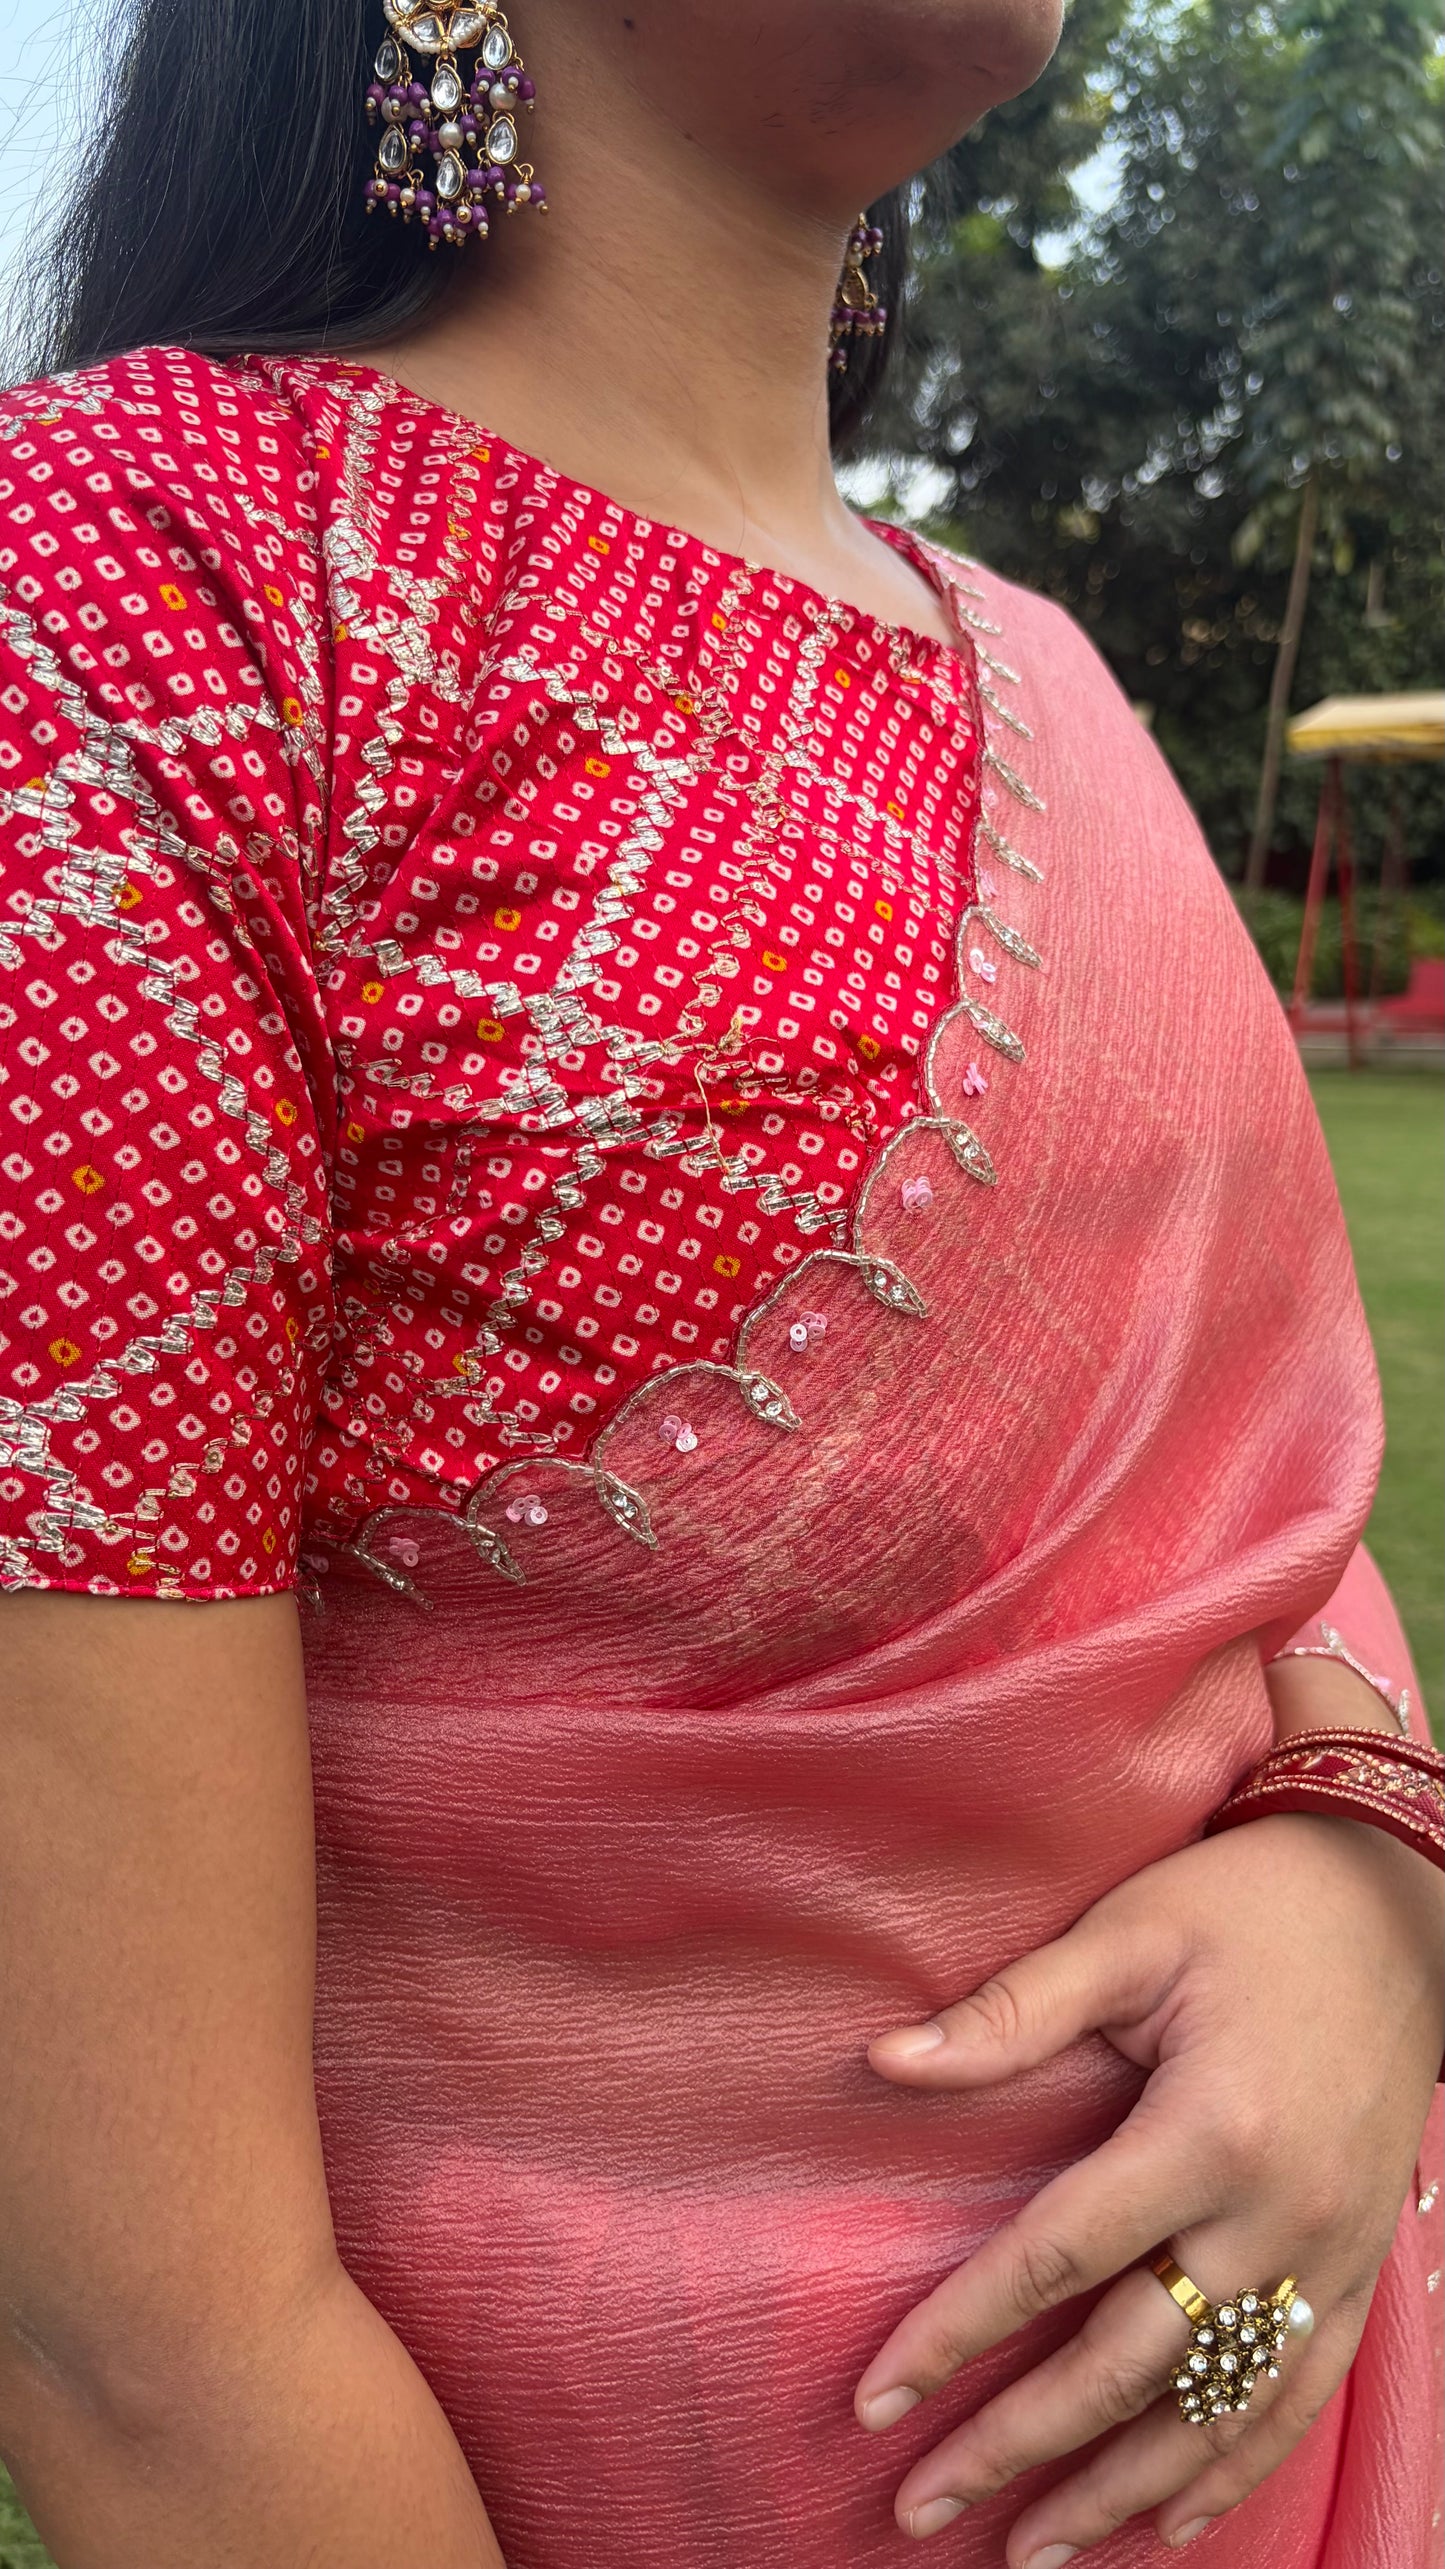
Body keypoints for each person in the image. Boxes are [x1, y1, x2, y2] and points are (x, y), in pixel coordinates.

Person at [0, 1, 1440, 2563]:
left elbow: (1263, 1550)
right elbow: (148, 2334)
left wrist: (1366, 1892)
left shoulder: (1050, 674)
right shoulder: (147, 589)